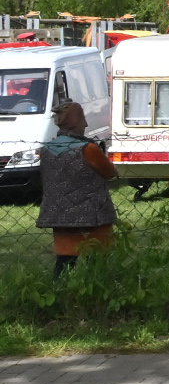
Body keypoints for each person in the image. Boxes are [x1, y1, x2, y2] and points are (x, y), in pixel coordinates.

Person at [37, 101, 116, 275]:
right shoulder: (88, 149)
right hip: (93, 216)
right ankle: (95, 287)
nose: (86, 124)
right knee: (97, 260)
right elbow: (109, 173)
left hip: (60, 215)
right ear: (74, 123)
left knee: (64, 260)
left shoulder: (46, 149)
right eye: (83, 120)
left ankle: (59, 288)